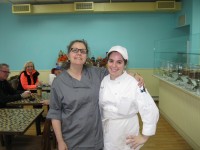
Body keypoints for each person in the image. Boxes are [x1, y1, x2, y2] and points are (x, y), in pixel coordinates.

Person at [47, 39, 144, 150]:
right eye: (74, 50)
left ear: (86, 55)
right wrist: (60, 141)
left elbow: (116, 71)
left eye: (82, 51)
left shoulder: (97, 73)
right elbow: (55, 113)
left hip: (96, 138)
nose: (79, 53)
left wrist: (135, 75)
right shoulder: (59, 82)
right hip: (71, 139)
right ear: (68, 55)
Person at [99, 46, 159, 150]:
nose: (114, 65)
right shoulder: (104, 80)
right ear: (107, 62)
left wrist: (144, 137)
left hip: (127, 133)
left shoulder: (135, 83)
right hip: (107, 132)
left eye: (119, 62)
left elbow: (150, 109)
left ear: (125, 64)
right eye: (111, 61)